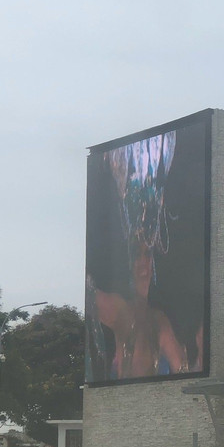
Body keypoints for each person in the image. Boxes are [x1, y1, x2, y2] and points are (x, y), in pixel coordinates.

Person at [89, 134, 193, 378]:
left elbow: (181, 367)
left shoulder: (157, 319)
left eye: (148, 254)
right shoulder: (119, 306)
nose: (144, 265)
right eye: (138, 255)